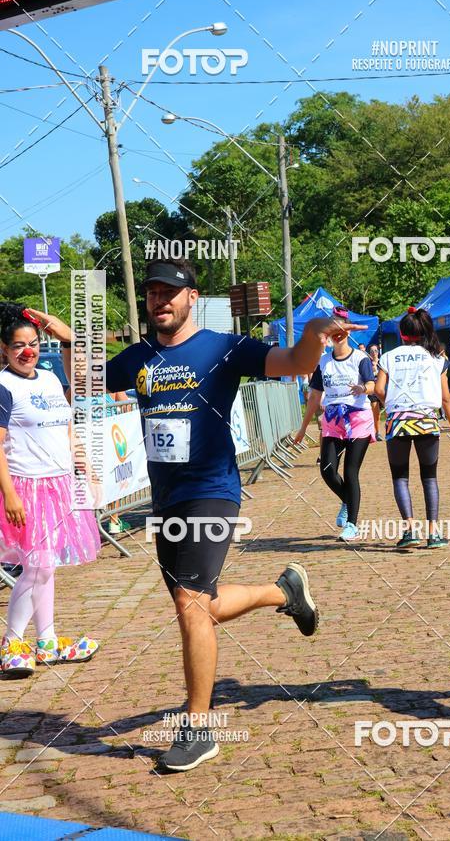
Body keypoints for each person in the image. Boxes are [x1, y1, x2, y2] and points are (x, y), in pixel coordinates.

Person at [31, 259, 365, 771]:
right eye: (152, 293)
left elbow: (294, 364)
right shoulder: (139, 357)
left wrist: (317, 335)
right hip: (166, 497)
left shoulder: (224, 348)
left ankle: (198, 726)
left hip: (212, 490)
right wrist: (72, 337)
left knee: (190, 604)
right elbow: (88, 381)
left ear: (192, 297)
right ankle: (284, 592)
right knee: (200, 605)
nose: (160, 300)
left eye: (171, 291)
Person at [0, 303, 100, 678]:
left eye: (34, 344)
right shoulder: (3, 386)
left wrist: (66, 334)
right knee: (38, 566)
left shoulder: (48, 379)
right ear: (4, 350)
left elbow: (66, 423)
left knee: (46, 567)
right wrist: (9, 495)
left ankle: (47, 641)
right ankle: (12, 643)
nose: (28, 352)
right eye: (18, 346)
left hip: (58, 485)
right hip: (25, 488)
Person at [375, 307, 450, 550]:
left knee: (400, 476)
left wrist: (392, 405)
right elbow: (446, 399)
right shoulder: (437, 359)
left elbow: (380, 390)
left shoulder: (389, 357)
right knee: (429, 477)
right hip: (427, 420)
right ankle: (433, 533)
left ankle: (410, 530)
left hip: (398, 421)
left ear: (402, 333)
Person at [294, 307, 375, 542]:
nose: (338, 335)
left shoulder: (361, 359)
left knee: (351, 471)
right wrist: (302, 429)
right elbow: (314, 398)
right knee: (328, 470)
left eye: (342, 331)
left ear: (348, 333)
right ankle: (347, 500)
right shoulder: (323, 362)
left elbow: (371, 384)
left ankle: (352, 524)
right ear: (329, 335)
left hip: (358, 419)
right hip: (332, 421)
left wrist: (363, 389)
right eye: (334, 331)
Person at [367, 343, 383, 441]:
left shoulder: (382, 362)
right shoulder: (367, 363)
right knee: (374, 411)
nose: (374, 353)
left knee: (378, 414)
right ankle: (374, 433)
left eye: (375, 351)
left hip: (381, 389)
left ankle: (378, 432)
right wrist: (372, 370)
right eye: (372, 351)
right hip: (372, 391)